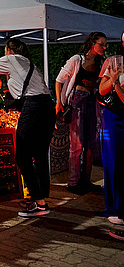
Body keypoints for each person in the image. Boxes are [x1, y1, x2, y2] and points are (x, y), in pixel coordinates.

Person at [0, 39, 56, 217]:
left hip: (33, 108)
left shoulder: (12, 59)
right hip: (47, 107)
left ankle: (40, 203)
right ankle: (41, 198)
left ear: (9, 50)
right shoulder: (29, 63)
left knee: (23, 156)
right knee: (40, 155)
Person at [55, 31, 107, 195]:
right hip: (77, 100)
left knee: (91, 144)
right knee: (76, 144)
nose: (104, 47)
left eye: (105, 45)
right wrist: (59, 102)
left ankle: (86, 180)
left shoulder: (100, 63)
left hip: (92, 101)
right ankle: (74, 181)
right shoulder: (78, 59)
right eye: (102, 44)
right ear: (93, 43)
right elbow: (59, 79)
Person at [98, 33, 124, 239]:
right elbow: (101, 90)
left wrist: (115, 85)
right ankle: (114, 208)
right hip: (114, 116)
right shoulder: (113, 61)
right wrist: (113, 80)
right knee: (113, 161)